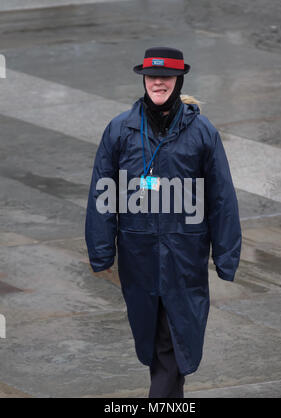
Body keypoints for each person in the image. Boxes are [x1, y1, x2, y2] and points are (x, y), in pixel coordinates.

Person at [85, 47, 242, 398]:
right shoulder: (120, 130)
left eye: (166, 76)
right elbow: (102, 193)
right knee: (155, 341)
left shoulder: (202, 133)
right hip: (137, 256)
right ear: (143, 79)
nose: (158, 82)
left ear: (178, 80)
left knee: (175, 339)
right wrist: (101, 250)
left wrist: (227, 255)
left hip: (184, 257)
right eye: (152, 76)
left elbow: (221, 198)